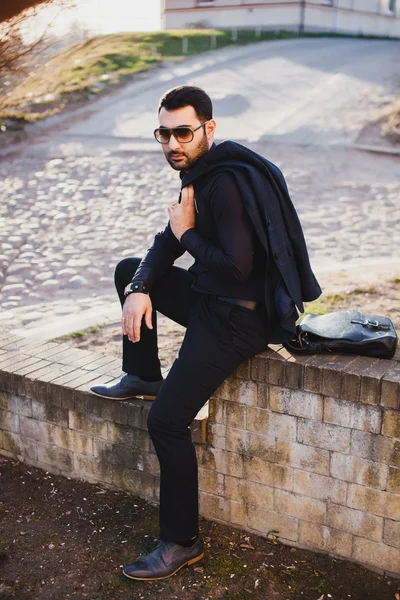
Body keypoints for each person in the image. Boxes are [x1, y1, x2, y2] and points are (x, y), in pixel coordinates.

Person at [90, 85, 321, 581]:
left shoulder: (225, 185)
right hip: (209, 299)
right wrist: (138, 287)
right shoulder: (196, 174)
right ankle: (142, 375)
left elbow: (237, 268)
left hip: (236, 319)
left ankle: (181, 542)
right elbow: (165, 243)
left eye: (183, 132)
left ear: (208, 130)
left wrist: (188, 232)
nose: (172, 143)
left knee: (167, 423)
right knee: (131, 268)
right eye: (164, 133)